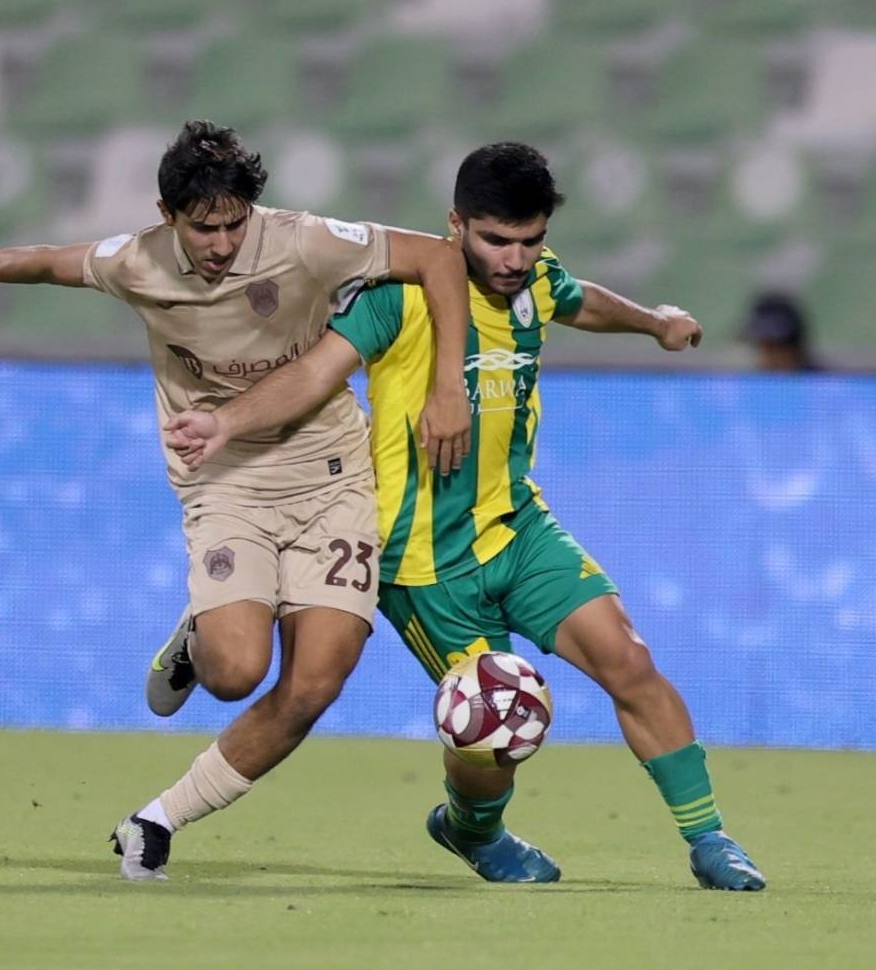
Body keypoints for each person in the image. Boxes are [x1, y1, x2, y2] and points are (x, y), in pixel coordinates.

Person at [158, 142, 766, 891]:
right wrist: (227, 422)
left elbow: (578, 299)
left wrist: (657, 322)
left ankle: (709, 840)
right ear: (455, 226)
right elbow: (314, 373)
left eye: (530, 240)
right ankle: (473, 830)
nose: (514, 259)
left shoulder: (536, 282)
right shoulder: (397, 296)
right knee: (494, 733)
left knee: (630, 661)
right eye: (494, 240)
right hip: (423, 565)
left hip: (517, 528)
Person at [0, 120, 474, 882]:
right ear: (166, 214)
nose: (221, 244)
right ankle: (201, 634)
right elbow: (47, 262)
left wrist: (448, 387)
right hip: (226, 481)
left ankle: (158, 817)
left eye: (235, 223)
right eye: (203, 227)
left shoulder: (307, 241)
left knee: (314, 683)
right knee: (236, 673)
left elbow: (439, 258)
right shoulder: (134, 262)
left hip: (332, 475)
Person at [742, 290, 821, 372]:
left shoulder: (824, 381)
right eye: (764, 349)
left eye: (774, 348)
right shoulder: (757, 379)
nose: (768, 360)